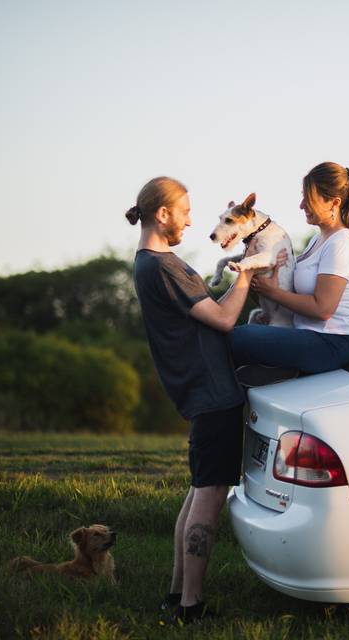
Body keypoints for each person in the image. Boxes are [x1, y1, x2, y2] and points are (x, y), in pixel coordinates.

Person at [126, 176, 249, 623]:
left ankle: (177, 595)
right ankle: (191, 606)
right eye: (184, 211)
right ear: (163, 214)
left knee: (198, 492)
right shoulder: (163, 265)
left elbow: (205, 311)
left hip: (201, 391)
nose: (190, 220)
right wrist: (247, 276)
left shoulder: (147, 263)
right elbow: (222, 318)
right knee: (211, 495)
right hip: (213, 393)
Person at [229, 162, 349, 377]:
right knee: (232, 334)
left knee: (237, 339)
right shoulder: (318, 239)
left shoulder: (341, 242)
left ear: (334, 203)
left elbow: (323, 309)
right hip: (304, 335)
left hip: (329, 344)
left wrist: (274, 292)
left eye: (309, 199)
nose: (301, 205)